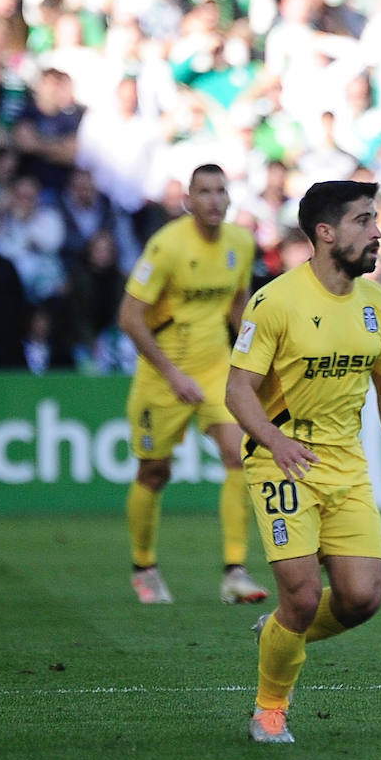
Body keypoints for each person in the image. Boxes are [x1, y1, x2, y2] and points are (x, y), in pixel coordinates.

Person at [223, 179, 381, 744]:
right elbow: (238, 390)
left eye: (376, 220)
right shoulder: (276, 301)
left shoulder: (380, 306)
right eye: (365, 221)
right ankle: (270, 709)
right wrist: (272, 439)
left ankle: (280, 634)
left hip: (345, 462)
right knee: (304, 594)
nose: (378, 232)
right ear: (326, 232)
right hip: (280, 459)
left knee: (364, 597)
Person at [117, 162, 269, 606]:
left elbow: (237, 307)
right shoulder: (166, 247)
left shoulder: (241, 244)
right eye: (203, 192)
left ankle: (235, 571)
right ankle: (144, 567)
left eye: (220, 191)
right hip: (164, 374)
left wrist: (253, 362)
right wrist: (172, 374)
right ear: (187, 200)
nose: (213, 200)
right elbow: (129, 317)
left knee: (239, 454)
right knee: (154, 471)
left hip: (215, 369)